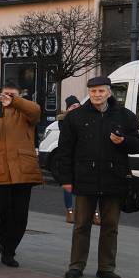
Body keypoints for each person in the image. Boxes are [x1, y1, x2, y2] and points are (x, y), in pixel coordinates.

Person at [54, 76, 139, 278]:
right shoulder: (75, 116)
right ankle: (76, 265)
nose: (97, 95)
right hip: (85, 179)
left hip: (114, 179)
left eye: (101, 91)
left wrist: (123, 141)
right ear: (89, 93)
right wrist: (66, 179)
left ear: (109, 92)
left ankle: (106, 268)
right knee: (81, 225)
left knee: (110, 226)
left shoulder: (125, 116)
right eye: (93, 91)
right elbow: (65, 150)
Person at [0, 82, 43, 268]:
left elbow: (36, 110)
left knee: (19, 215)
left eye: (12, 94)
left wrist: (14, 102)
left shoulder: (25, 112)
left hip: (22, 169)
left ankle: (9, 251)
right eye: (5, 94)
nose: (7, 97)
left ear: (19, 97)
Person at [57, 95, 80, 223]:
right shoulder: (64, 121)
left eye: (78, 106)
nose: (76, 108)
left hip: (82, 156)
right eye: (73, 106)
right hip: (70, 156)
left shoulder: (84, 117)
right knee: (68, 184)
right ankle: (69, 211)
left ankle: (94, 213)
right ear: (67, 109)